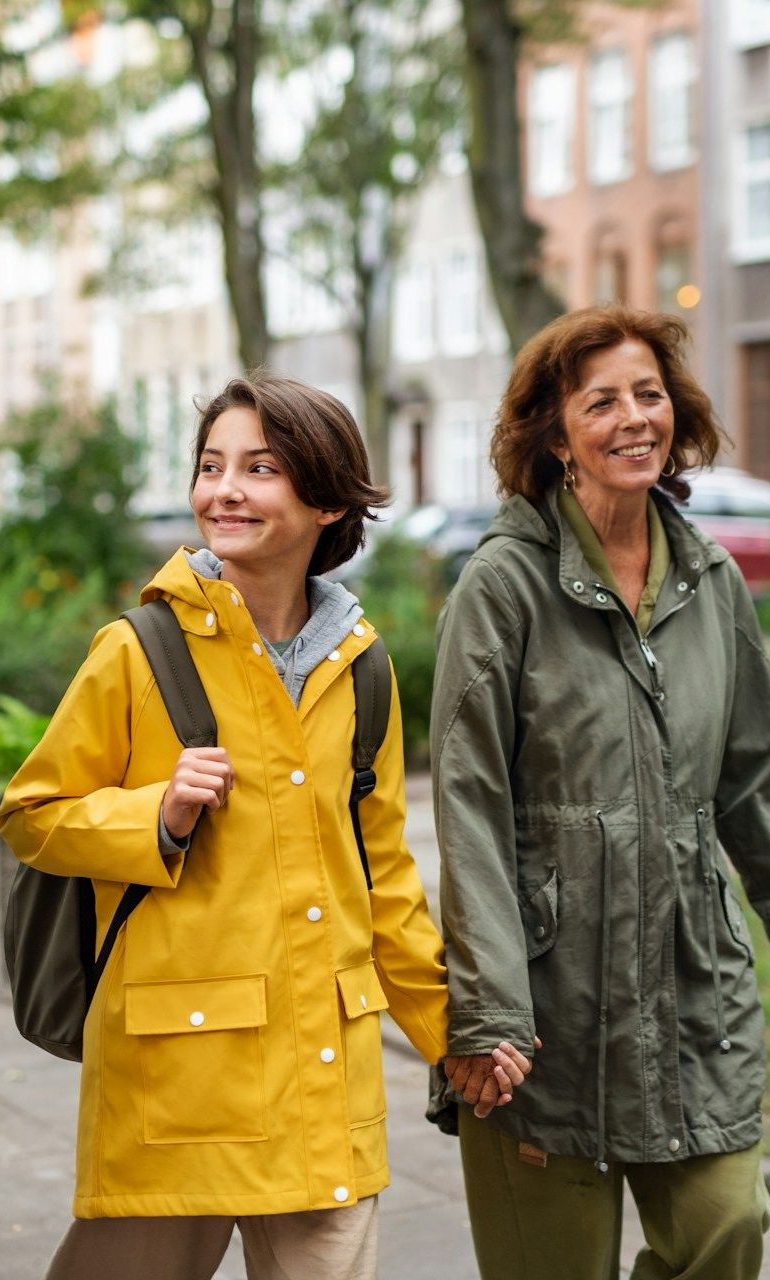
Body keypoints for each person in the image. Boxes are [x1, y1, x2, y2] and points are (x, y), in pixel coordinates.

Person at [0, 374, 532, 1280]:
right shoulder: (139, 649)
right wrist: (154, 815)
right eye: (212, 466)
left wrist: (455, 1036)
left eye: (261, 468)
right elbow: (32, 814)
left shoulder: (362, 672)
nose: (224, 490)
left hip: (327, 1092)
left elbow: (384, 880)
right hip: (179, 1092)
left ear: (326, 500)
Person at [431, 304, 770, 1279]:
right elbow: (467, 803)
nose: (633, 417)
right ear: (551, 431)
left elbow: (748, 784)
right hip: (545, 1001)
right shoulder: (501, 584)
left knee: (726, 1224)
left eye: (649, 394)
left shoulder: (708, 580)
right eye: (601, 400)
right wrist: (487, 1007)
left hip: (690, 983)